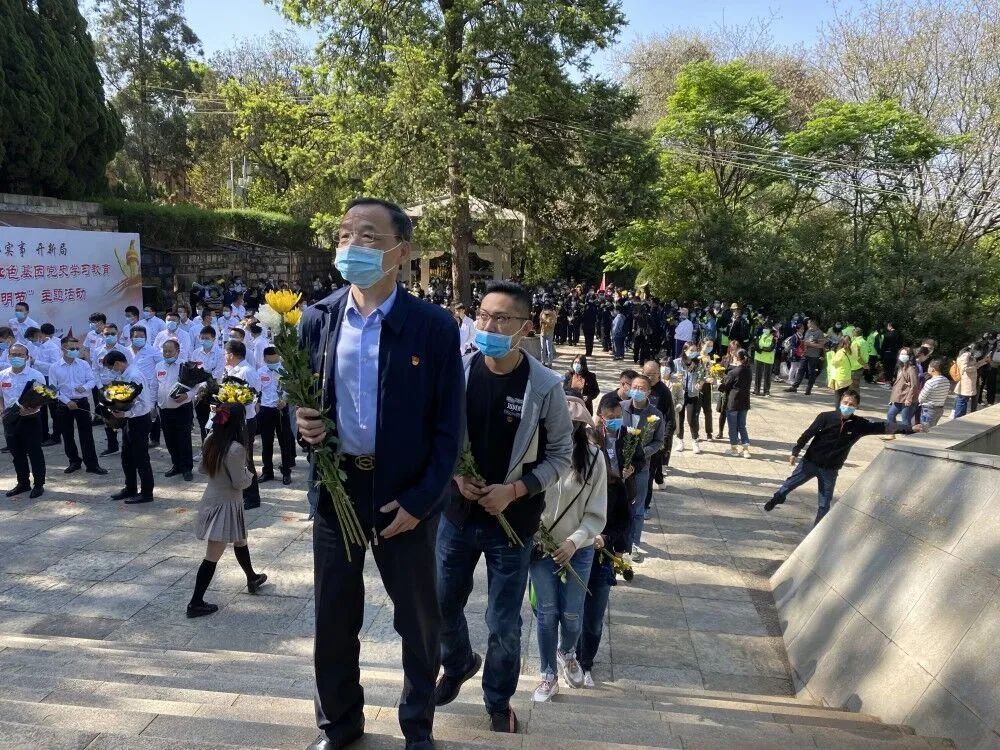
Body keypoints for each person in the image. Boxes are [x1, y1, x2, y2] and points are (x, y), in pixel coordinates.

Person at [296, 198, 464, 750]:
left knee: (417, 621)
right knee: (333, 617)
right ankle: (339, 723)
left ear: (401, 251)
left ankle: (417, 725)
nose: (352, 246)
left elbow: (450, 429)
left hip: (405, 494)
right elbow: (302, 398)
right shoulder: (318, 318)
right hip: (338, 488)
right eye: (345, 234)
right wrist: (304, 424)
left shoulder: (433, 327)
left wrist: (422, 500)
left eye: (368, 236)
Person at [435, 280, 572, 736]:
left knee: (503, 623)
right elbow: (439, 436)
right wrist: (456, 476)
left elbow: (561, 456)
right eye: (483, 315)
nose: (488, 326)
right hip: (457, 515)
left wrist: (513, 491)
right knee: (440, 604)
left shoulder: (545, 386)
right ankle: (458, 662)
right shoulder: (458, 371)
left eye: (501, 319)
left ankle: (498, 700)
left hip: (513, 524)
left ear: (525, 328)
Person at [529, 395, 607, 702]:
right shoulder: (535, 452)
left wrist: (575, 541)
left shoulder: (594, 458)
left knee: (573, 615)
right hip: (541, 547)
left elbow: (596, 511)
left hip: (580, 549)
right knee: (547, 613)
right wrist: (534, 532)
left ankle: (568, 652)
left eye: (571, 422)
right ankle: (548, 674)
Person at [764, 390, 922, 526]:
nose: (848, 406)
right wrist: (795, 451)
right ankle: (777, 498)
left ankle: (817, 530)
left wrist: (910, 429)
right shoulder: (826, 417)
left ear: (856, 406)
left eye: (851, 404)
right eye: (845, 402)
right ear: (840, 402)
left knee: (824, 503)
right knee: (788, 485)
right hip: (810, 462)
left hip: (830, 470)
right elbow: (808, 434)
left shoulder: (859, 424)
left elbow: (884, 427)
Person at [577, 393, 636, 687]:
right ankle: (567, 658)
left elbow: (624, 523)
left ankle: (585, 663)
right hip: (572, 557)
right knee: (568, 616)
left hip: (600, 560)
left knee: (593, 619)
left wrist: (606, 538)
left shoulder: (615, 485)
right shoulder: (567, 481)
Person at [187, 401, 267, 618]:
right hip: (225, 504)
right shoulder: (236, 449)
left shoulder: (211, 439)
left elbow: (202, 469)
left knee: (240, 539)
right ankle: (195, 603)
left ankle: (252, 577)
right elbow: (239, 483)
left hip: (215, 498)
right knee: (212, 556)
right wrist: (250, 474)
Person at [49, 337, 108, 477]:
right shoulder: (54, 367)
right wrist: (67, 401)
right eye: (72, 348)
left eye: (77, 348)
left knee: (86, 434)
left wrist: (85, 387)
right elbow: (52, 389)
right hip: (64, 405)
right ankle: (74, 461)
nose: (75, 351)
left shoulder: (83, 364)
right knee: (67, 435)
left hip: (82, 403)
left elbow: (92, 380)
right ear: (63, 349)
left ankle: (92, 464)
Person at [620, 375, 664, 563]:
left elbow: (658, 441)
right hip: (618, 466)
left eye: (641, 388)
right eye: (635, 387)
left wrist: (640, 453)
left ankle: (634, 544)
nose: (637, 391)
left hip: (641, 468)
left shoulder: (656, 415)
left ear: (648, 392)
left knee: (637, 508)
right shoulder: (621, 407)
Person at [104, 350, 155, 503]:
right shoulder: (124, 375)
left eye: (111, 368)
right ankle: (130, 488)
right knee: (127, 457)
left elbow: (144, 404)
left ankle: (147, 493)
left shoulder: (134, 376)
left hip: (139, 420)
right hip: (129, 421)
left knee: (141, 457)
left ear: (118, 363)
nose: (111, 371)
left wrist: (126, 413)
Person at [1, 343, 46, 498]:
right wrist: (2, 411)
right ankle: (23, 483)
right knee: (17, 454)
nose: (16, 357)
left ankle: (39, 484)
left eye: (20, 355)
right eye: (13, 355)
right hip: (10, 420)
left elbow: (43, 397)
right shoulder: (2, 375)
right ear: (8, 356)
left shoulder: (36, 375)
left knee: (35, 452)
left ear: (27, 357)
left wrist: (33, 408)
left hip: (31, 418)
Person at [223, 340, 262, 510]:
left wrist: (232, 401)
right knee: (236, 458)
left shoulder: (247, 371)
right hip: (233, 420)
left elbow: (252, 396)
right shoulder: (232, 370)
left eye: (225, 353)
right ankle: (242, 491)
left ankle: (253, 497)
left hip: (245, 421)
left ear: (231, 354)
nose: (224, 357)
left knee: (246, 459)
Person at [156, 340, 198, 481]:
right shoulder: (158, 366)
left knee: (183, 439)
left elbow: (196, 386)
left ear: (178, 352)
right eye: (165, 351)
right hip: (164, 409)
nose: (167, 354)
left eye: (170, 351)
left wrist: (187, 395)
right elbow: (154, 386)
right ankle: (176, 465)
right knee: (170, 439)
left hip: (182, 408)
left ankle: (187, 468)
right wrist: (152, 405)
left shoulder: (185, 366)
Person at [257, 347, 295, 485]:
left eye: (275, 361)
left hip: (282, 410)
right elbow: (257, 390)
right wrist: (258, 403)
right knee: (266, 442)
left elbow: (292, 390)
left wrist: (285, 401)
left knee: (285, 442)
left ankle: (286, 472)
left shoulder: (286, 371)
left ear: (279, 358)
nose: (272, 363)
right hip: (266, 410)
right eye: (269, 361)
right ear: (265, 359)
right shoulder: (260, 372)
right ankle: (267, 471)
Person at [642, 360, 675, 499]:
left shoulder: (664, 391)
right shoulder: (639, 387)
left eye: (653, 374)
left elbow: (670, 417)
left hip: (655, 437)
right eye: (647, 374)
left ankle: (646, 504)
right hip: (639, 434)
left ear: (659, 374)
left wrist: (665, 439)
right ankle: (659, 478)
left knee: (650, 471)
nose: (649, 378)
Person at [191, 326, 225, 440]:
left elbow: (217, 374)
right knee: (202, 422)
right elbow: (193, 372)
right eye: (202, 338)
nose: (204, 340)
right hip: (199, 394)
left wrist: (204, 385)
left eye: (207, 338)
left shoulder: (220, 353)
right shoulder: (196, 353)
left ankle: (216, 447)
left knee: (215, 422)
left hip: (214, 392)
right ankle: (204, 446)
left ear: (213, 339)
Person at [672, 343, 706, 453]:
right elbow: (667, 375)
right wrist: (675, 376)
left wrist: (700, 384)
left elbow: (702, 376)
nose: (694, 352)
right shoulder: (676, 362)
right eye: (691, 350)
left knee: (692, 419)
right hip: (679, 394)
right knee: (679, 419)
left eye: (695, 350)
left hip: (693, 394)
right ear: (685, 350)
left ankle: (695, 441)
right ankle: (680, 441)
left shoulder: (698, 363)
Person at [719, 349, 752, 458]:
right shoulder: (749, 370)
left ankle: (734, 448)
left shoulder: (733, 372)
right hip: (745, 402)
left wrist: (719, 383)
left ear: (737, 358)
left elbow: (725, 386)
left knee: (732, 426)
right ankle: (746, 449)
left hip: (733, 402)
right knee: (742, 425)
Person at [884, 347, 919, 438]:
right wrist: (893, 399)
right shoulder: (901, 367)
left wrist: (909, 399)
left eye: (905, 354)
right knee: (890, 414)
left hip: (907, 399)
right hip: (898, 398)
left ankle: (907, 437)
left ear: (910, 356)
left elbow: (914, 385)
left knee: (905, 420)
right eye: (901, 354)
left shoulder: (911, 369)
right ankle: (891, 433)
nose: (902, 356)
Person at [786, 318, 825, 395]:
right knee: (800, 370)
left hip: (814, 356)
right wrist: (802, 345)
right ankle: (794, 387)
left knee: (811, 372)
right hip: (805, 354)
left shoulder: (819, 333)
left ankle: (808, 389)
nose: (807, 325)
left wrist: (809, 344)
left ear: (813, 324)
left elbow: (821, 345)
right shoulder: (808, 331)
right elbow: (805, 342)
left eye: (808, 323)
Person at [918, 359, 950, 428]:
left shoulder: (930, 382)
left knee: (925, 429)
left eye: (929, 367)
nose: (928, 369)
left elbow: (921, 398)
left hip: (928, 409)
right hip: (940, 409)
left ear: (933, 369)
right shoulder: (946, 380)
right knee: (932, 428)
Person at [826, 337, 854, 406]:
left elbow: (835, 363)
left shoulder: (847, 352)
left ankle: (840, 410)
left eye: (849, 341)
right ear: (843, 343)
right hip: (842, 377)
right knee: (840, 396)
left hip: (845, 377)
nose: (849, 343)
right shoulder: (842, 352)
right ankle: (839, 411)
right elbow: (834, 363)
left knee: (842, 396)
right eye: (847, 342)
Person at [752, 324, 776, 396]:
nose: (765, 329)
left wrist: (761, 348)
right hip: (758, 357)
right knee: (757, 375)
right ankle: (756, 390)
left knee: (767, 376)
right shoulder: (760, 335)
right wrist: (762, 348)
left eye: (767, 328)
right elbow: (755, 345)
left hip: (768, 359)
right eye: (765, 328)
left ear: (770, 330)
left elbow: (770, 348)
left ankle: (766, 391)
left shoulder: (773, 337)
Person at [538, 303, 556, 367]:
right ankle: (542, 362)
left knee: (549, 349)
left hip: (549, 334)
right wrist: (541, 322)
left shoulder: (553, 315)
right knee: (542, 349)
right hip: (542, 333)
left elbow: (552, 325)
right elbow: (540, 322)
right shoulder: (542, 313)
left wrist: (545, 321)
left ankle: (550, 363)